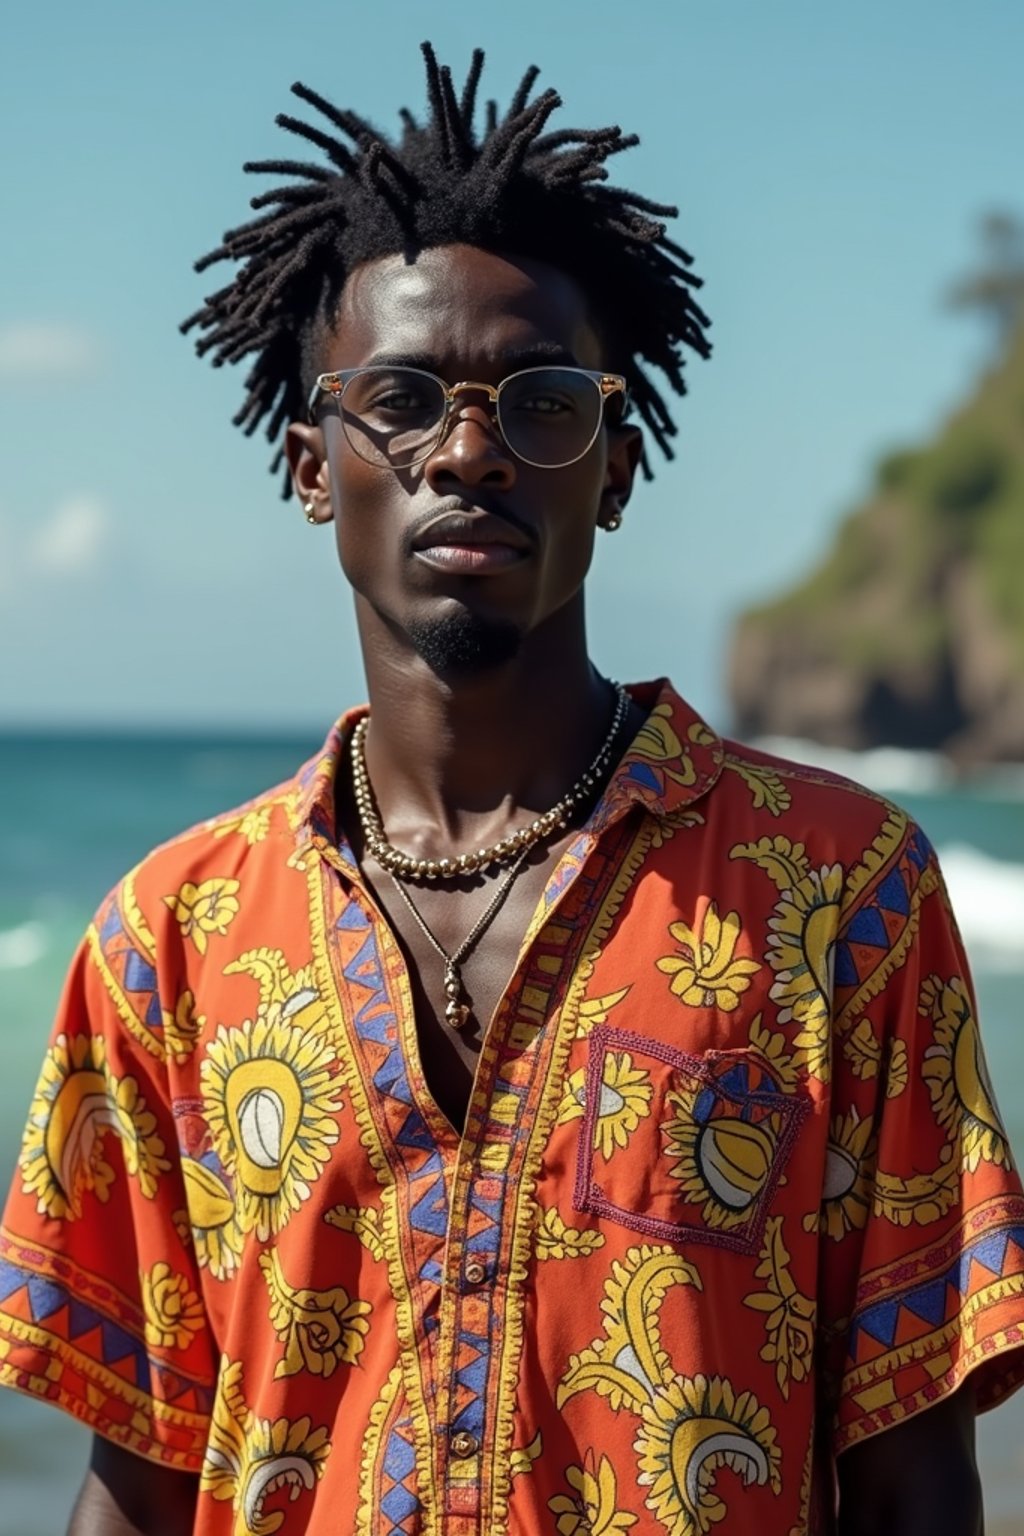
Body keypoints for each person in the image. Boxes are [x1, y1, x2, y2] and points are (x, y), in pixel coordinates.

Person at [2, 42, 1022, 1536]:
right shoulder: (164, 943)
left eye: (541, 402)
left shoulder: (841, 895)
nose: (467, 450)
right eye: (402, 399)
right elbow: (141, 1485)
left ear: (614, 466)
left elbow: (915, 1479)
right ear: (309, 462)